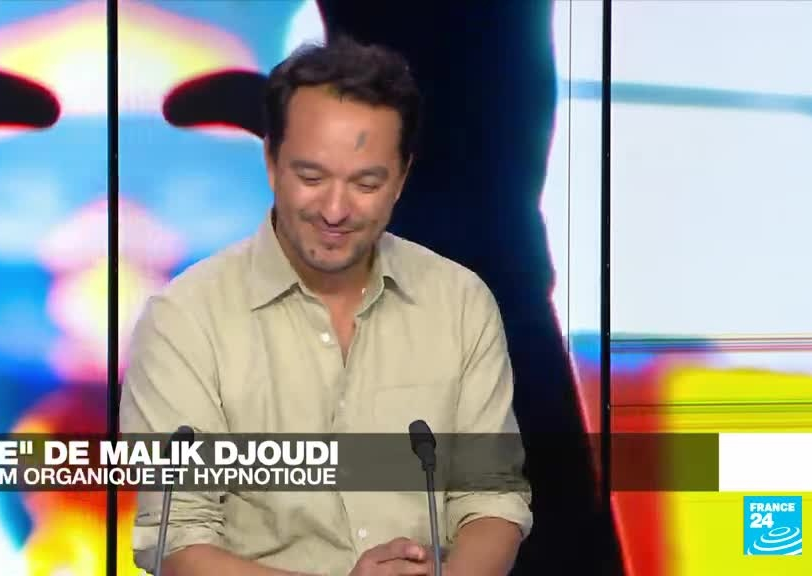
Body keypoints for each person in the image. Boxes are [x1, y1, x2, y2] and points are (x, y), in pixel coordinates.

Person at [121, 35, 531, 576]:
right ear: (271, 163)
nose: (335, 210)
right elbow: (176, 542)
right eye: (311, 177)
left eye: (366, 183)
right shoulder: (185, 320)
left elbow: (492, 498)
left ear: (401, 178)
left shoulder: (459, 302)